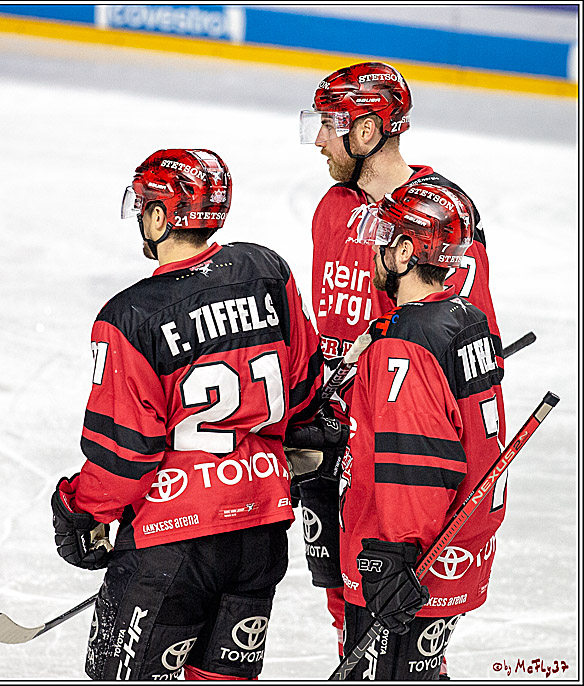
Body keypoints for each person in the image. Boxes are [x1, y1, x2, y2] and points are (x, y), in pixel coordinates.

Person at [50, 149, 326, 680]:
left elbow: (125, 455)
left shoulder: (130, 317)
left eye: (144, 207)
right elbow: (306, 386)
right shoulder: (267, 272)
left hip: (172, 540)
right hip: (260, 530)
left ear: (159, 217)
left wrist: (81, 509)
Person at [294, 61, 504, 669]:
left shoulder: (442, 213)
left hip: (398, 455)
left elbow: (462, 333)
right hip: (332, 444)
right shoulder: (332, 208)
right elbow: (326, 323)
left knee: (393, 622)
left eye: (329, 124)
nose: (319, 140)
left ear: (367, 130)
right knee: (344, 607)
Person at [337, 182, 505, 679]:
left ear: (406, 252)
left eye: (383, 240)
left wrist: (394, 552)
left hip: (409, 563)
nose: (374, 250)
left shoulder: (408, 341)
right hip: (457, 548)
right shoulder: (466, 319)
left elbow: (417, 459)